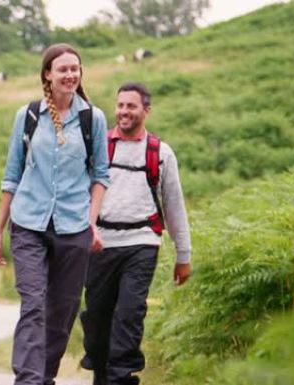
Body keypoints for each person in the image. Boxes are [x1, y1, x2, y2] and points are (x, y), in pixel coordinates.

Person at [0, 43, 110, 385]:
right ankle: (27, 380)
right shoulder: (27, 116)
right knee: (33, 304)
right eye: (63, 69)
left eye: (75, 68)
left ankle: (44, 377)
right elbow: (11, 176)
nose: (70, 74)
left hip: (74, 227)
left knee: (62, 311)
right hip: (28, 223)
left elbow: (101, 176)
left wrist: (91, 222)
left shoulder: (92, 119)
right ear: (47, 74)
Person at [80, 82, 192, 385]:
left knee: (129, 312)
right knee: (97, 318)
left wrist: (184, 255)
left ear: (146, 110)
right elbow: (80, 193)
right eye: (120, 106)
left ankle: (120, 377)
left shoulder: (160, 152)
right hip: (100, 243)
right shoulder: (100, 146)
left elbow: (173, 205)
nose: (124, 112)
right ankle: (103, 375)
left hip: (142, 242)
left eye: (131, 106)